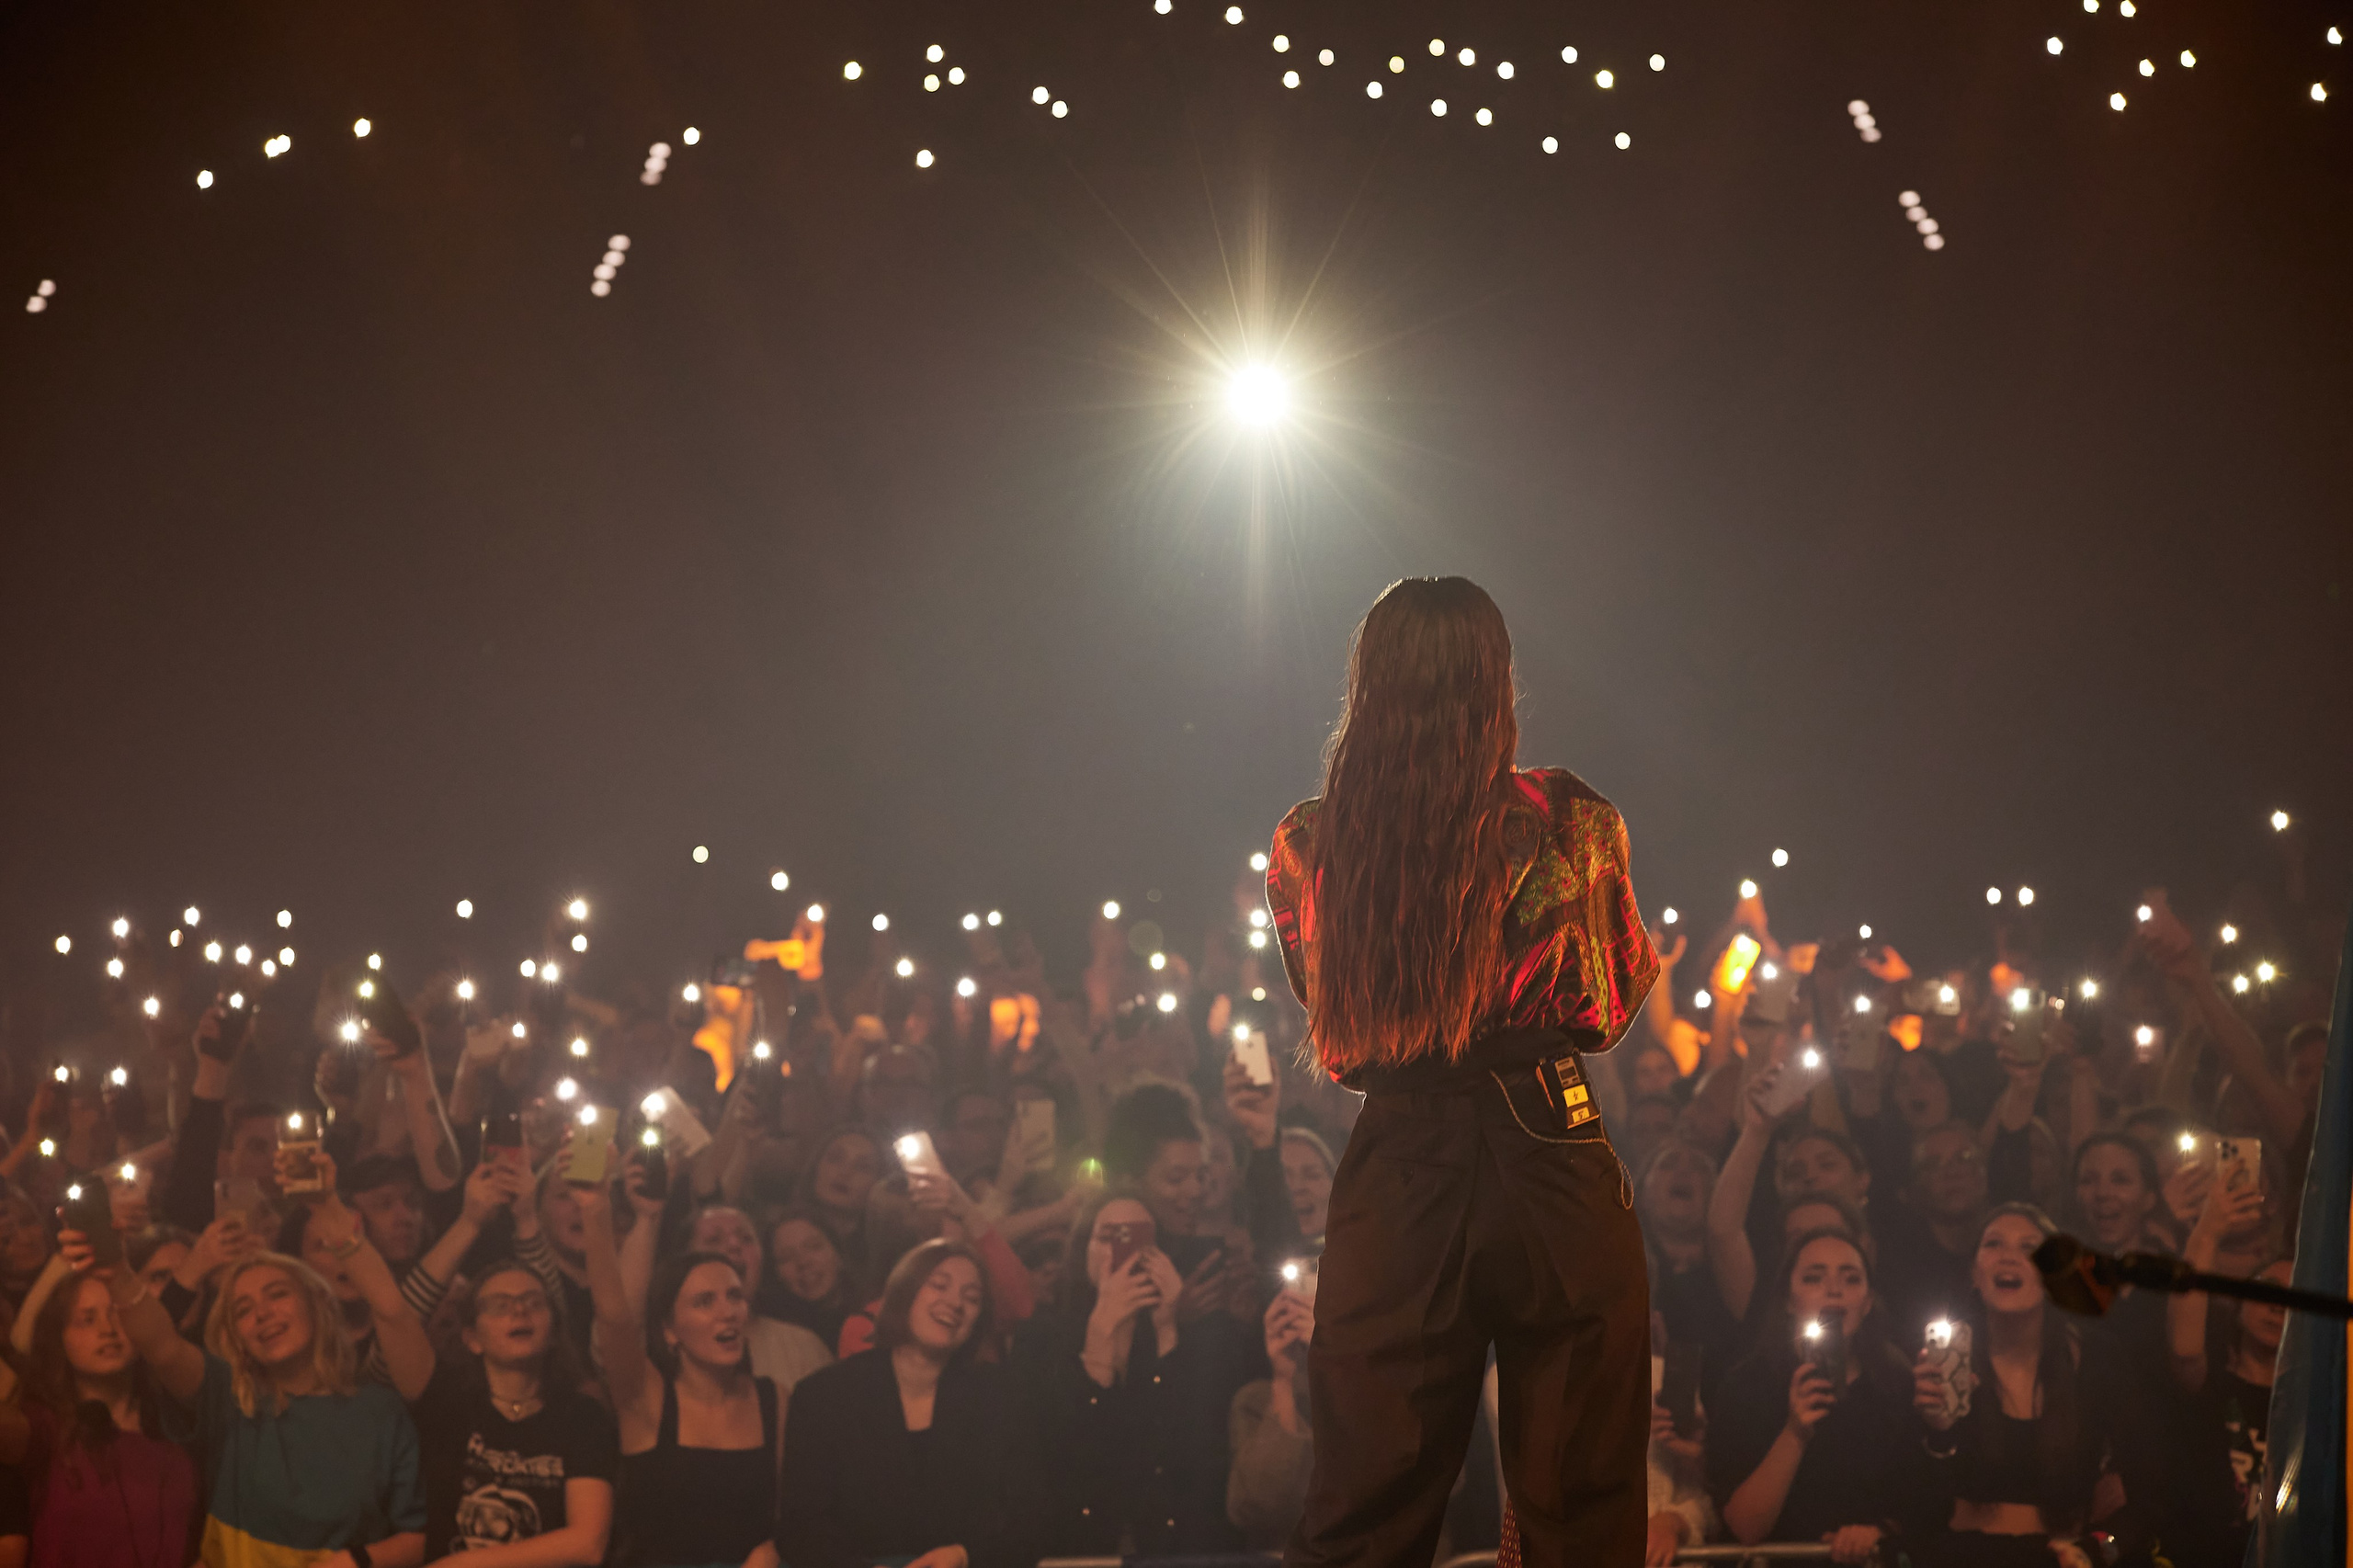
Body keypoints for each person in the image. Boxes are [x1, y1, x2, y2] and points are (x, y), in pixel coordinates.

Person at [1264, 578, 1659, 1568]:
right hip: (1548, 1142)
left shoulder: (1312, 843)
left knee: (1364, 1507)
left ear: (1369, 683)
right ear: (1497, 682)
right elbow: (1608, 1005)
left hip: (1401, 1157)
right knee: (1581, 1503)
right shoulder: (1572, 822)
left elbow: (1334, 1023)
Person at [72, 1229, 426, 1568]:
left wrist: (357, 1559)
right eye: (243, 1310)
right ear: (237, 1337)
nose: (262, 1313)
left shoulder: (379, 1412)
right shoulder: (230, 1400)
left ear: (316, 1302)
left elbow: (419, 1536)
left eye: (277, 1294)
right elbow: (163, 1348)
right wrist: (118, 1275)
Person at [581, 1152, 779, 1568]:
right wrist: (597, 1212)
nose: (727, 1312)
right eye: (705, 1302)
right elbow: (617, 1317)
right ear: (669, 1331)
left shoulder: (773, 1400)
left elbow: (795, 1511)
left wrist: (772, 1551)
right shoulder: (646, 1399)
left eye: (734, 1297)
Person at [775, 1240, 1018, 1568]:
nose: (955, 1303)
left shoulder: (998, 1396)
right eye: (939, 1285)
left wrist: (964, 1555)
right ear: (904, 1291)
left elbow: (1028, 1515)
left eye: (971, 1298)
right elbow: (800, 1525)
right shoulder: (823, 1396)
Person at [1911, 1204, 2126, 1568]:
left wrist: (2098, 1549)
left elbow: (2145, 1494)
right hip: (1966, 1558)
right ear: (1974, 1273)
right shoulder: (1945, 1363)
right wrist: (1939, 1433)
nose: (2008, 1257)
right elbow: (1914, 1505)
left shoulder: (2097, 1358)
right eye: (1993, 1244)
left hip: (2062, 1560)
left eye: (2029, 1248)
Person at [1706, 1229, 1926, 1563]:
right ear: (1789, 1301)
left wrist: (1878, 1531)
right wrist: (1795, 1432)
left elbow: (1917, 1505)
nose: (1834, 1289)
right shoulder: (1749, 1384)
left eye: (1851, 1279)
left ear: (1867, 1303)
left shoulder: (1896, 1382)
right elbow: (1745, 1527)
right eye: (1814, 1278)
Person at [409, 1262, 617, 1568]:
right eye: (499, 1305)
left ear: (554, 1332)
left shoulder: (581, 1416)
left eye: (534, 1302)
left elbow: (588, 1544)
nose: (519, 1311)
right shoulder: (447, 1404)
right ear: (472, 1338)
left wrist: (463, 1564)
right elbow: (394, 1312)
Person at [0, 1270, 201, 1568]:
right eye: (87, 1319)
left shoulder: (177, 1424)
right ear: (59, 1337)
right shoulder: (43, 1424)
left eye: (118, 1315)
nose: (108, 1329)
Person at [1227, 1279, 1317, 1547]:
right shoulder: (1257, 1401)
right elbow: (1258, 1508)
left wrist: (1342, 1359)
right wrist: (1283, 1379)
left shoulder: (1398, 1385)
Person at [760, 1213, 859, 1352]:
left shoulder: (876, 1316)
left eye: (814, 1247)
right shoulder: (779, 1344)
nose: (803, 1262)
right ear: (776, 1276)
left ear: (838, 1254)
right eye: (787, 1257)